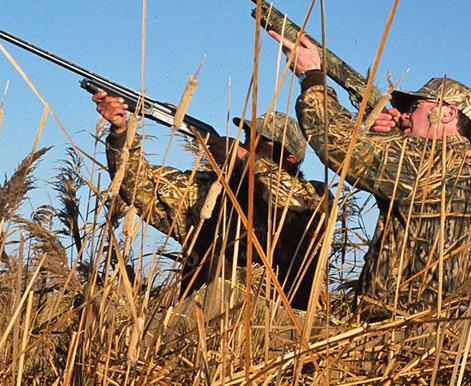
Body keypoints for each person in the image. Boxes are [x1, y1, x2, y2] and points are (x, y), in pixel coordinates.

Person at [269, 31, 471, 320]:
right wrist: (388, 135)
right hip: (451, 338)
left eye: (415, 107)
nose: (404, 114)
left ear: (447, 114)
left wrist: (312, 76)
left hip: (395, 338)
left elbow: (336, 143)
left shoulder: (427, 159)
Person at [92, 91, 333, 310]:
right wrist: (122, 133)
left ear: (289, 159)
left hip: (281, 335)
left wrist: (242, 158)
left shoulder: (314, 195)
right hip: (203, 328)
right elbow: (138, 188)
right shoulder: (211, 191)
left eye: (261, 141)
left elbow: (289, 198)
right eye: (248, 136)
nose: (248, 143)